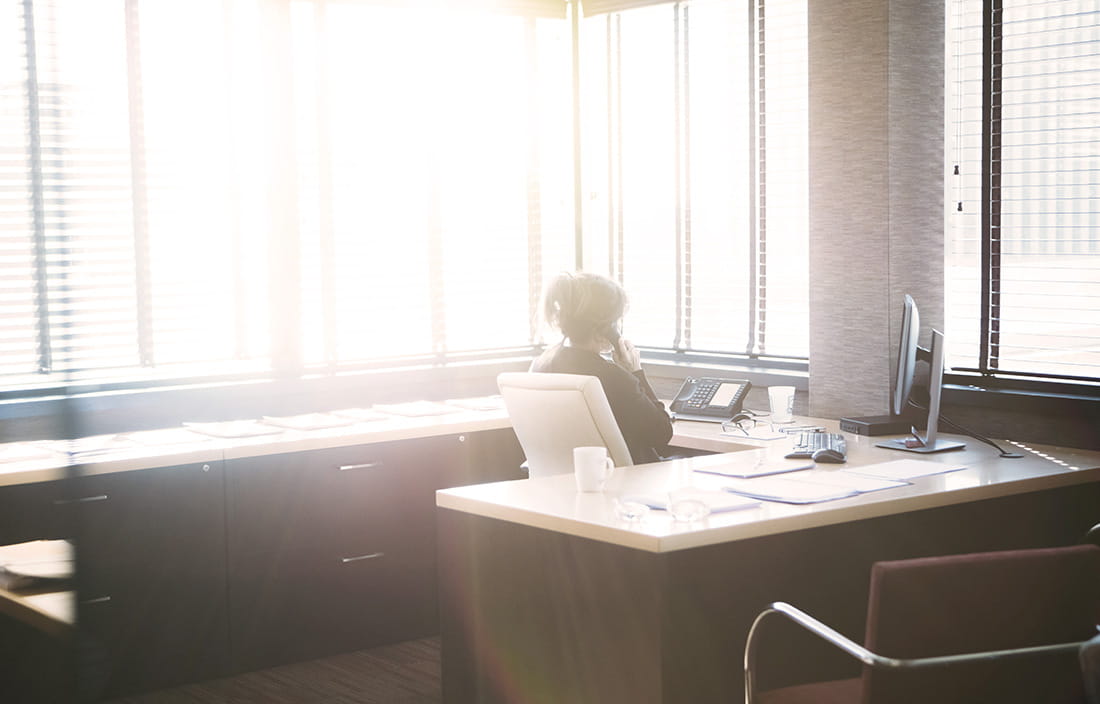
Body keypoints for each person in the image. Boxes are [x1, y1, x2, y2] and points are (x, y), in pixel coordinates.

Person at [530, 271, 673, 464]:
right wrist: (635, 372)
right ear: (604, 329)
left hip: (565, 487)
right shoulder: (612, 377)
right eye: (617, 320)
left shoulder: (541, 365)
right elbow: (661, 433)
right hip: (627, 485)